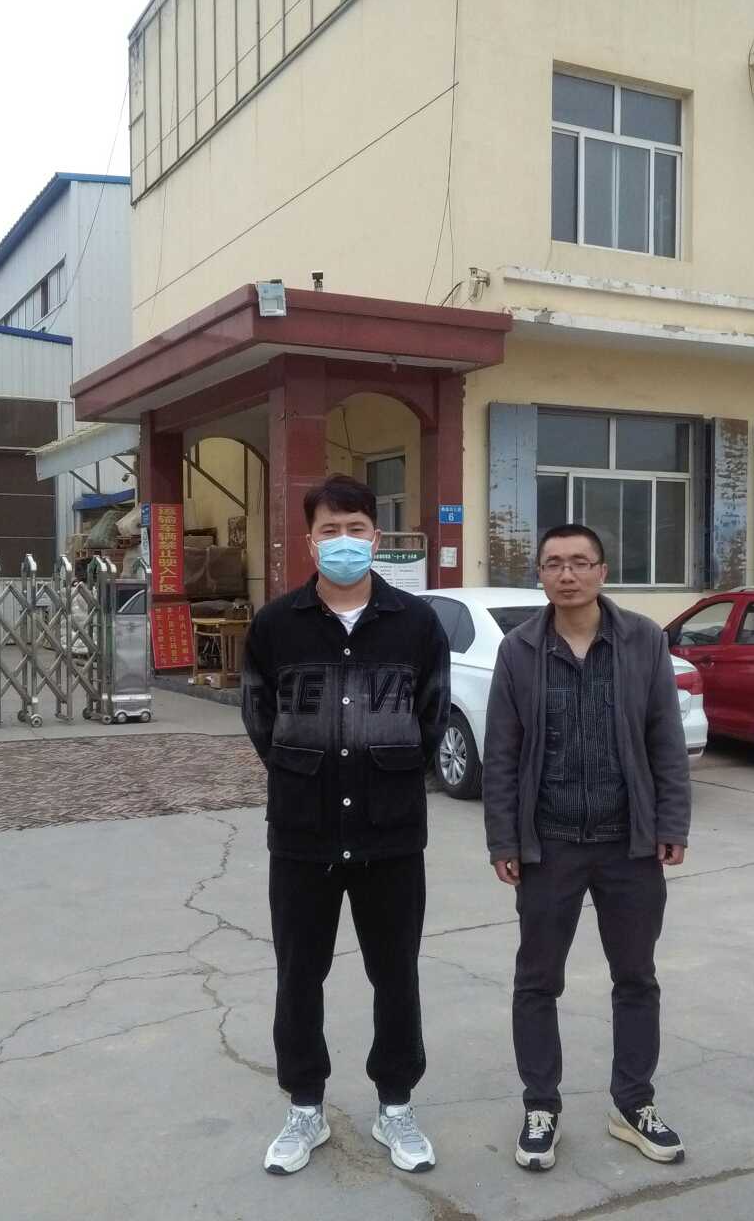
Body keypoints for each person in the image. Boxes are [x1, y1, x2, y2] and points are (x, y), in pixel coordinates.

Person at [241, 474, 451, 1177]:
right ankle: (306, 1107)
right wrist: (305, 770)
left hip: (392, 835)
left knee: (396, 975)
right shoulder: (277, 624)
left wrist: (386, 770)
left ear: (376, 538)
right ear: (310, 541)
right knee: (299, 975)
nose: (343, 542)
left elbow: (431, 714)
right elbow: (259, 715)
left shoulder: (416, 623)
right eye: (329, 530)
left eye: (355, 529)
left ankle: (396, 1104)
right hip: (302, 835)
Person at [483, 523, 692, 1173]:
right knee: (537, 980)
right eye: (554, 563)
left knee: (636, 978)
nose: (567, 574)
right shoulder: (520, 649)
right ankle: (540, 1106)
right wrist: (504, 837)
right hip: (548, 846)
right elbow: (502, 752)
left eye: (580, 562)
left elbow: (665, 737)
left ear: (602, 571)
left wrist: (671, 822)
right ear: (540, 574)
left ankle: (633, 1104)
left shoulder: (643, 640)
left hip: (628, 844)